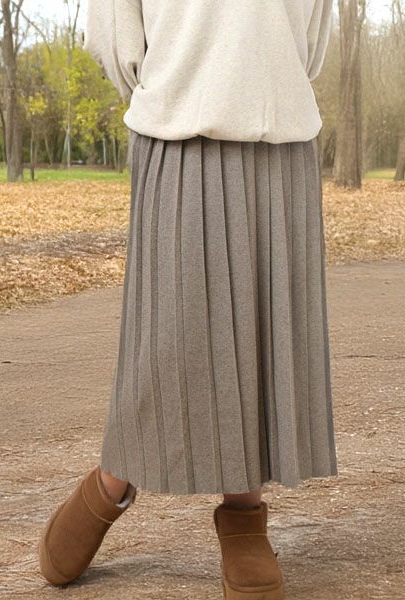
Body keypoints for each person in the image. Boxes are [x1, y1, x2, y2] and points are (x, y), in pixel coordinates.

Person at [37, 1, 338, 598]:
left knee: (261, 333)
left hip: (281, 136)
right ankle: (114, 479)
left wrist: (263, 80)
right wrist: (183, 85)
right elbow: (116, 30)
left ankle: (244, 514)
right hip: (178, 130)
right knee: (170, 334)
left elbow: (313, 31)